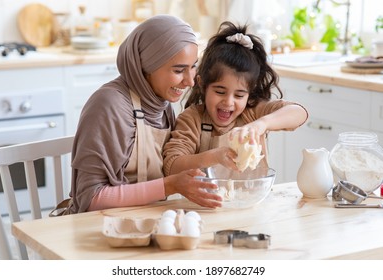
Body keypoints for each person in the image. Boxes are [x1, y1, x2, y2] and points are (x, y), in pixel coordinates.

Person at [65, 15, 222, 214]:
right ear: (146, 66)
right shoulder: (108, 105)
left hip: (147, 222)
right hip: (100, 228)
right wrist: (170, 185)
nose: (190, 81)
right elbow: (90, 199)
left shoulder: (161, 104)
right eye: (178, 70)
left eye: (193, 67)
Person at [163, 21, 308, 176]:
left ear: (249, 93)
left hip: (254, 199)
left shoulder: (252, 112)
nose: (229, 102)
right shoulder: (192, 119)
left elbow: (299, 113)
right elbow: (172, 166)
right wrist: (214, 157)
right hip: (203, 200)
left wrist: (261, 124)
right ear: (202, 84)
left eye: (239, 95)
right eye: (220, 91)